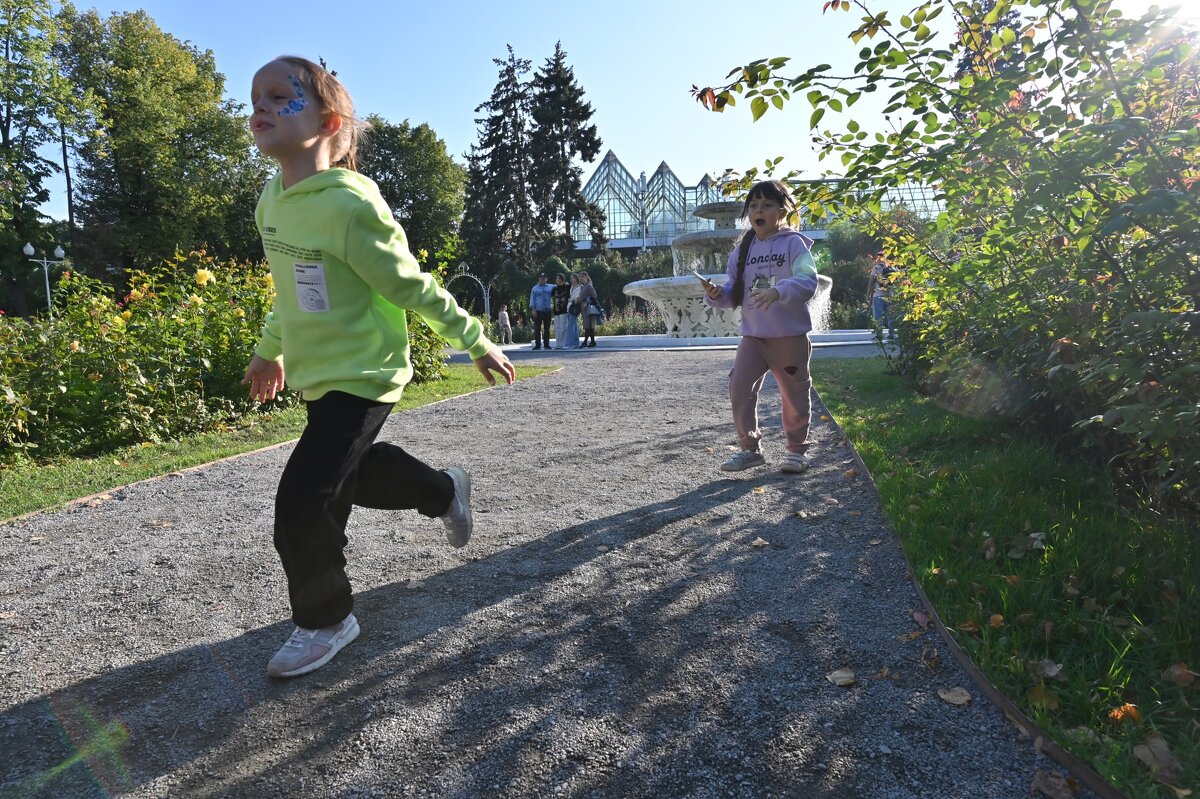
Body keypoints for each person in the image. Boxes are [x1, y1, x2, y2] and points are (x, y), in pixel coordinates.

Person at [242, 56, 516, 679]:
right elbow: (291, 288)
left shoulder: (349, 208)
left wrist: (473, 339)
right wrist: (270, 348)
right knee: (350, 475)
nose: (259, 108)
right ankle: (445, 491)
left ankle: (327, 619)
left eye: (280, 97)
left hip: (365, 373)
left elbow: (411, 286)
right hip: (319, 372)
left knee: (305, 500)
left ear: (327, 121)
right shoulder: (272, 201)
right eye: (255, 97)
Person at [702, 179, 819, 474]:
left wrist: (779, 291)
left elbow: (808, 280)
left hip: (788, 337)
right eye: (753, 205)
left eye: (767, 205)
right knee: (739, 388)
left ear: (782, 211)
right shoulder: (742, 249)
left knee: (794, 393)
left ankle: (797, 451)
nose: (759, 210)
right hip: (753, 337)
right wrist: (717, 294)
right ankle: (750, 448)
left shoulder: (794, 243)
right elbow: (733, 292)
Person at [865, 250, 895, 336]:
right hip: (890, 295)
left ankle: (879, 335)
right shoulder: (892, 268)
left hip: (878, 295)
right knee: (891, 316)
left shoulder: (876, 268)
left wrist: (868, 295)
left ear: (878, 257)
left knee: (878, 317)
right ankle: (891, 335)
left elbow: (871, 282)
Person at [529, 273, 554, 350]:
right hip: (538, 311)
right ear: (539, 279)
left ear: (546, 279)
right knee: (537, 328)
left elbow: (560, 287)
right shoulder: (535, 288)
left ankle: (547, 344)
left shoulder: (551, 287)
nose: (542, 279)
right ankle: (537, 345)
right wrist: (533, 310)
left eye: (544, 278)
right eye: (541, 278)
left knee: (547, 329)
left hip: (547, 311)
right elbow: (532, 299)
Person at [577, 271, 600, 348]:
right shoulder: (583, 287)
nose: (580, 278)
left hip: (589, 309)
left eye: (582, 277)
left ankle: (585, 342)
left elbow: (594, 296)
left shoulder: (588, 286)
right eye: (580, 277)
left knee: (589, 326)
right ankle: (592, 342)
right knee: (588, 326)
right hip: (585, 310)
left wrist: (587, 302)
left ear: (586, 277)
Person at [561, 273, 582, 350]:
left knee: (570, 326)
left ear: (576, 279)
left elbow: (577, 298)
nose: (571, 280)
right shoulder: (571, 287)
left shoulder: (580, 287)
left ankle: (569, 344)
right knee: (574, 326)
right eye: (571, 278)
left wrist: (573, 300)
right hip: (569, 307)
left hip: (574, 308)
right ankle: (576, 343)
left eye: (573, 278)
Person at [551, 273, 571, 348]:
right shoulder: (554, 289)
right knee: (557, 328)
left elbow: (576, 286)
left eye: (559, 278)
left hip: (564, 311)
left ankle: (563, 343)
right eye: (556, 278)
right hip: (556, 311)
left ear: (562, 279)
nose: (557, 280)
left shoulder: (567, 287)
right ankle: (558, 344)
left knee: (563, 328)